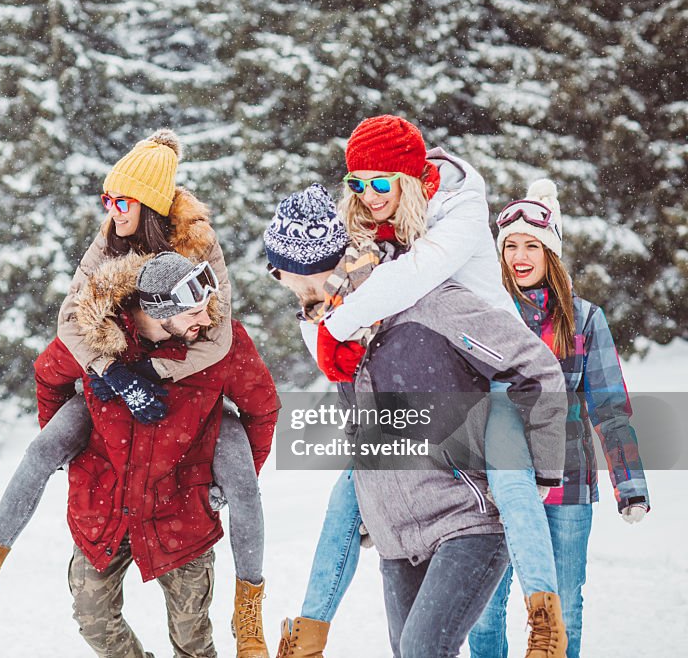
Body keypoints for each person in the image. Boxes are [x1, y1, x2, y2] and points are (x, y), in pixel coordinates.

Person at [0, 131, 274, 657]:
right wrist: (104, 388)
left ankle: (249, 615)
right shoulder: (109, 248)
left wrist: (158, 374)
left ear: (151, 206)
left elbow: (224, 345)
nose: (112, 211)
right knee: (90, 608)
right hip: (109, 438)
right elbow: (61, 343)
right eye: (106, 200)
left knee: (193, 631)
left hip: (184, 467)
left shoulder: (199, 259)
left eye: (122, 201)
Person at [263, 184, 568, 658]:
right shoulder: (335, 333)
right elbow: (358, 427)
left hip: (466, 519)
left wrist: (541, 472)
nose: (291, 289)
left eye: (297, 278)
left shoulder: (431, 303)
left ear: (332, 264)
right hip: (396, 536)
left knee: (424, 648)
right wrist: (369, 495)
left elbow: (537, 369)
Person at [38, 252, 280, 658]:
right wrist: (68, 449)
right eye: (193, 314)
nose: (206, 322)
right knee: (92, 619)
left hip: (183, 514)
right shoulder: (95, 337)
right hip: (103, 510)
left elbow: (263, 409)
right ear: (159, 311)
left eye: (207, 310)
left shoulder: (221, 343)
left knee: (192, 640)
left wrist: (227, 482)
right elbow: (49, 376)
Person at [468, 179, 651, 658]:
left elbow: (610, 406)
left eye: (532, 244)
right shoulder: (484, 315)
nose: (519, 255)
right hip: (494, 489)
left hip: (566, 488)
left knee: (562, 609)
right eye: (510, 245)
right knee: (482, 611)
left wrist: (629, 484)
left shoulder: (585, 320)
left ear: (551, 252)